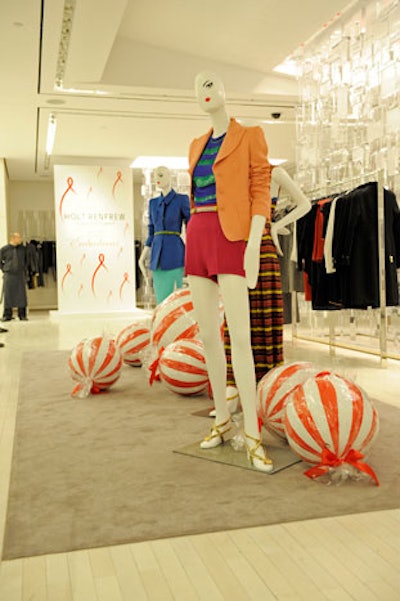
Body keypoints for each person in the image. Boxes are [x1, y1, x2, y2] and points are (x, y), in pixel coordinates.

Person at [185, 70, 273, 472]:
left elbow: (259, 190)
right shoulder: (195, 146)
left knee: (240, 336)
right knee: (207, 334)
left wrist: (255, 241)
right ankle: (221, 418)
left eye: (208, 83)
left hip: (233, 235)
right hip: (199, 233)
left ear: (223, 91)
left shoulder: (249, 135)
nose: (202, 91)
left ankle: (252, 432)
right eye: (196, 86)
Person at [222, 166, 312, 414]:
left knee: (263, 318)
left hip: (262, 250)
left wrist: (275, 225)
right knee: (234, 318)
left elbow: (305, 205)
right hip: (235, 250)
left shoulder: (274, 173)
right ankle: (233, 384)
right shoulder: (232, 172)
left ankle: (267, 385)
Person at [139, 166, 191, 304]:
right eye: (155, 176)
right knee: (161, 300)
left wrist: (194, 253)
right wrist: (142, 257)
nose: (157, 179)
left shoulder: (181, 200)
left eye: (161, 175)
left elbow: (190, 227)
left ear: (169, 177)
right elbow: (151, 231)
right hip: (157, 255)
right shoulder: (153, 203)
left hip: (175, 252)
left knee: (176, 300)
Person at [0, 232, 29, 321]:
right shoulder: (4, 249)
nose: (20, 239)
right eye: (18, 237)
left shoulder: (23, 249)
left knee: (21, 295)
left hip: (20, 274)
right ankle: (7, 315)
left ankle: (22, 314)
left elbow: (26, 260)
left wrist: (25, 269)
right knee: (8, 295)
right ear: (13, 238)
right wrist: (4, 269)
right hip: (9, 274)